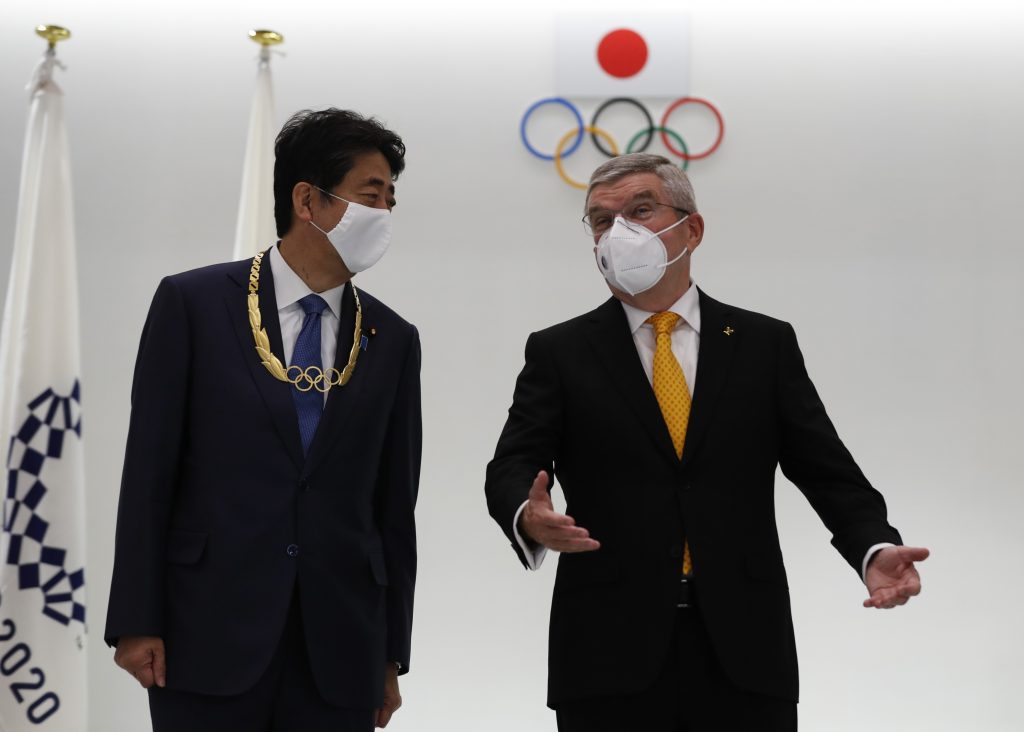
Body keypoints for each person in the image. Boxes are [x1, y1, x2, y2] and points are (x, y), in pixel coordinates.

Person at [485, 153, 928, 731]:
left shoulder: (762, 344)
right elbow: (514, 460)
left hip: (745, 647)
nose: (619, 232)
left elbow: (826, 469)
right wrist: (527, 512)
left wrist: (872, 548)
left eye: (640, 210)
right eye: (601, 220)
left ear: (690, 228)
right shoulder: (560, 351)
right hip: (606, 650)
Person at [105, 108, 421, 731]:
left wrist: (390, 655)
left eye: (390, 197)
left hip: (339, 651)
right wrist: (136, 619)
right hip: (206, 634)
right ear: (308, 199)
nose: (384, 213)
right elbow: (149, 473)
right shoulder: (192, 306)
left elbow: (394, 507)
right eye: (370, 194)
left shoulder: (393, 338)